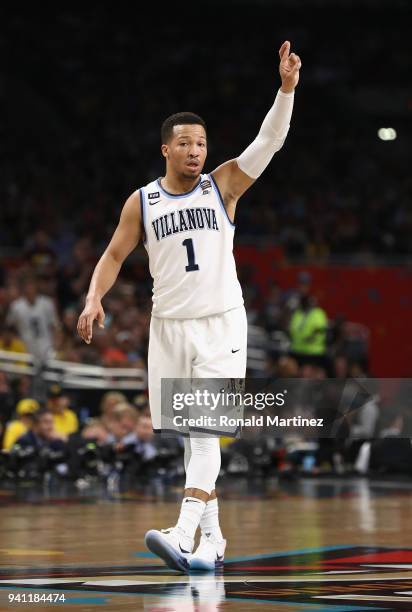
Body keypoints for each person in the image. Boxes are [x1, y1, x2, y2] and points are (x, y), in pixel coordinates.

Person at [77, 41, 301, 571]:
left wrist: (286, 90)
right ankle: (214, 542)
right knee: (189, 438)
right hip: (169, 327)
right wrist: (93, 296)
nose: (196, 150)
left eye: (201, 142)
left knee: (203, 433)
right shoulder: (143, 201)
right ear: (166, 150)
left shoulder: (222, 187)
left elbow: (269, 142)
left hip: (220, 323)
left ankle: (182, 534)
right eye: (185, 143)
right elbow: (112, 254)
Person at [6, 277, 59, 363]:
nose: (29, 288)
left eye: (31, 285)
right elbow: (9, 328)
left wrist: (56, 346)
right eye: (27, 286)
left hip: (46, 347)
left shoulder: (47, 303)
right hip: (26, 348)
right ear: (23, 288)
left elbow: (54, 326)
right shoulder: (16, 307)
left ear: (36, 286)